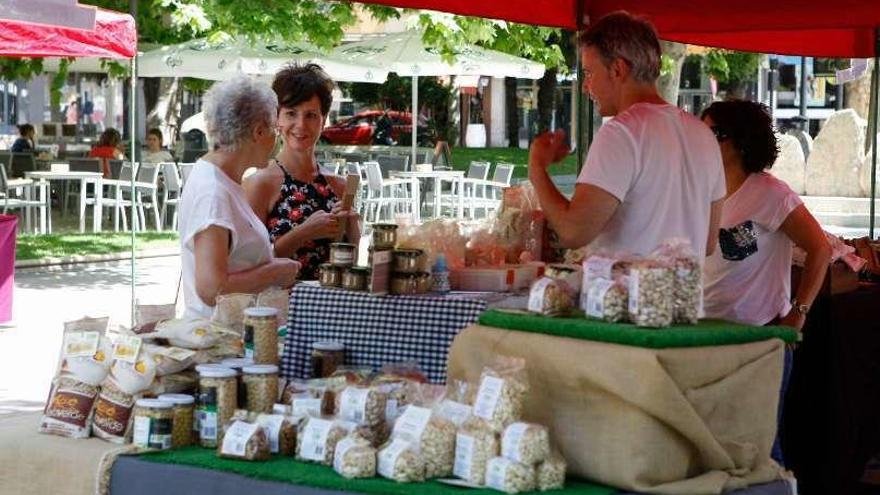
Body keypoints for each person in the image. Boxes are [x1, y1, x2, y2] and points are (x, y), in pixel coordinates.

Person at [527, 11, 725, 258]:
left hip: (628, 294)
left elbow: (573, 231)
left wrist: (536, 168)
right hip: (685, 294)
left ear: (617, 70)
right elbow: (707, 243)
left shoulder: (622, 132)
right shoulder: (703, 134)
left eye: (589, 73)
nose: (586, 85)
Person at [701, 100, 832, 467]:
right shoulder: (703, 190)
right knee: (715, 446)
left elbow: (819, 248)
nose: (703, 142)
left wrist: (799, 313)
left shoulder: (771, 193)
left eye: (713, 134)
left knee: (758, 447)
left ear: (739, 142)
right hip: (704, 333)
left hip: (758, 338)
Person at [178, 77, 300, 320]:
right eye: (276, 130)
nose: (277, 139)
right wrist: (273, 273)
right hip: (218, 340)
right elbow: (211, 289)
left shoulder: (223, 180)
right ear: (258, 131)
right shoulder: (212, 191)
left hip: (232, 337)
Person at [244, 63, 360, 280]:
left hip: (331, 307)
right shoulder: (260, 183)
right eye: (291, 113)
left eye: (311, 115)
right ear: (276, 118)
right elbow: (250, 263)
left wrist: (353, 229)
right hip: (278, 307)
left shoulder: (340, 185)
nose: (300, 124)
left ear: (323, 120)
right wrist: (305, 232)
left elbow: (349, 266)